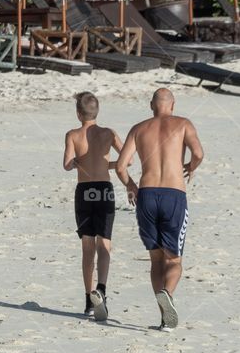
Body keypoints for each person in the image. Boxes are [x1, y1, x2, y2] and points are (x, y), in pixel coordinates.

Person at [115, 88, 203, 330]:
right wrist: (190, 166)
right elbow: (198, 153)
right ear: (172, 105)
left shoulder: (139, 128)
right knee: (174, 260)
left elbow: (121, 167)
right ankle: (168, 294)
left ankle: (164, 319)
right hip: (174, 195)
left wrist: (130, 185)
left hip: (146, 195)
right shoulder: (183, 123)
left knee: (156, 260)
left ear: (151, 106)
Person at [63, 92, 126, 320]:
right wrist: (105, 164)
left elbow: (67, 165)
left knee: (87, 247)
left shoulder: (72, 134)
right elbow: (127, 159)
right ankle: (103, 290)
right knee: (105, 243)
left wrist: (81, 162)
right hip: (104, 190)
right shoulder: (108, 133)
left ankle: (89, 300)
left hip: (84, 191)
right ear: (97, 112)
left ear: (78, 113)